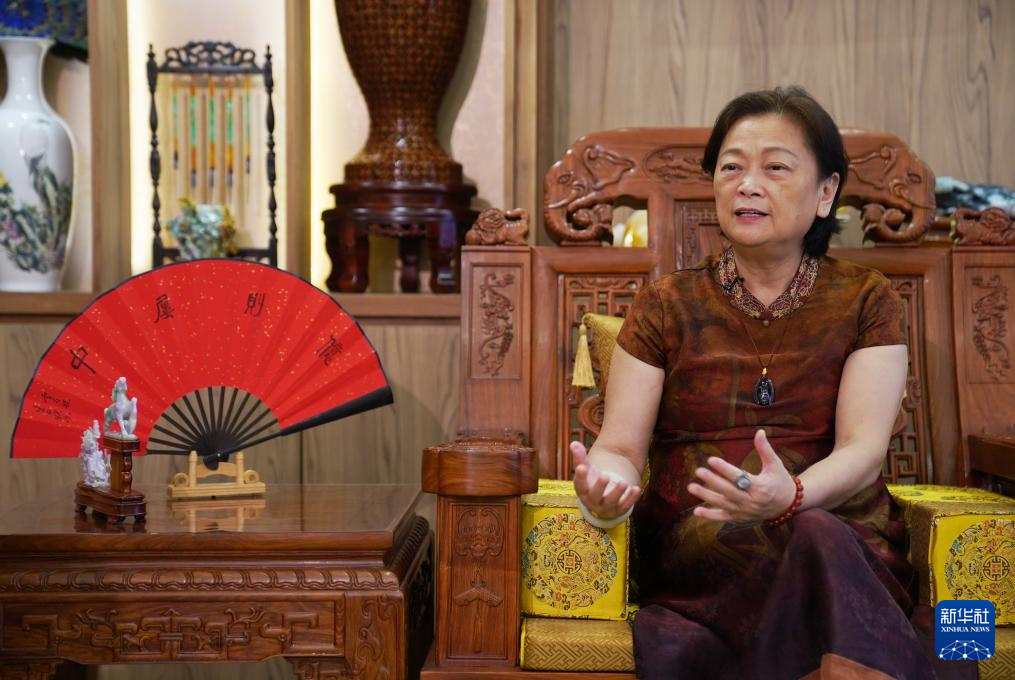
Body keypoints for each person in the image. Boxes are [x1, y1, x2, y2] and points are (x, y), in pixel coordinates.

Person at [570, 87, 968, 679]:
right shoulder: (664, 304)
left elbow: (863, 449)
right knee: (815, 546)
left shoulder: (867, 298)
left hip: (842, 533)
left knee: (814, 533)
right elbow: (620, 449)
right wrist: (606, 489)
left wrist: (793, 497)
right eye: (731, 167)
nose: (748, 185)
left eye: (776, 168)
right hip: (705, 549)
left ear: (826, 192)